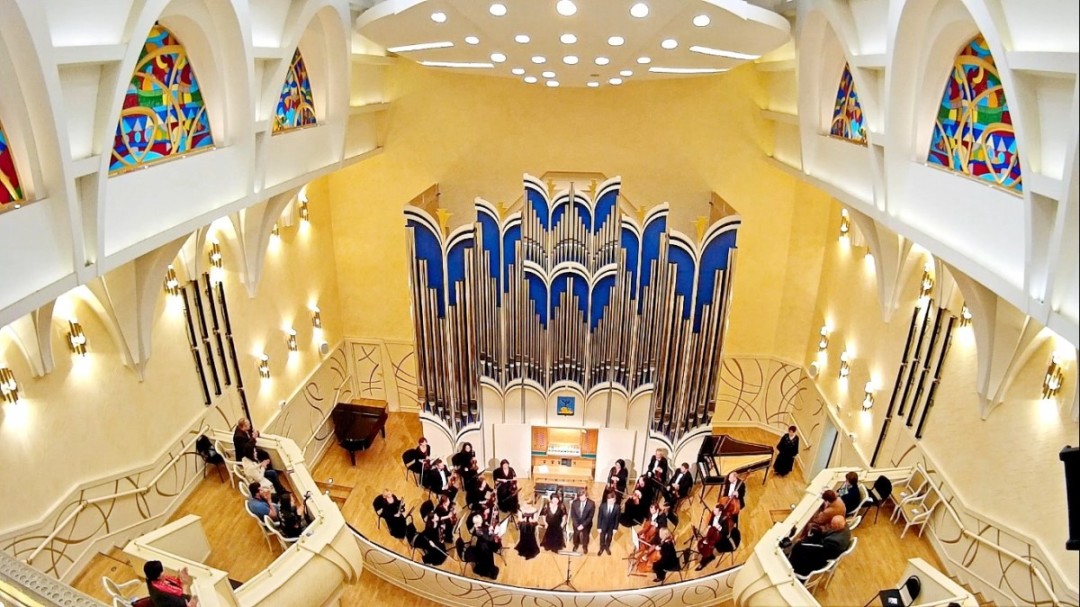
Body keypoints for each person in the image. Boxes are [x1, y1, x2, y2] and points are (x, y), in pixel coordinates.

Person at [469, 514, 501, 579]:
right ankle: (488, 572)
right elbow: (488, 538)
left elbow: (485, 533)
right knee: (487, 559)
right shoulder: (478, 531)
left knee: (489, 558)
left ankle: (490, 569)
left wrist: (489, 529)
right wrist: (493, 532)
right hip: (483, 548)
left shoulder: (480, 527)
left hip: (484, 545)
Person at [596, 490, 620, 556]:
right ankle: (601, 548)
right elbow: (599, 517)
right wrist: (598, 527)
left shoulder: (617, 507)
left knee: (609, 538)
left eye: (612, 501)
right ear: (607, 500)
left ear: (614, 500)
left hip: (611, 526)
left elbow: (617, 519)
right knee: (602, 538)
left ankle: (607, 547)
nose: (610, 502)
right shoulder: (602, 506)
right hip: (603, 525)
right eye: (609, 501)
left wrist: (615, 528)